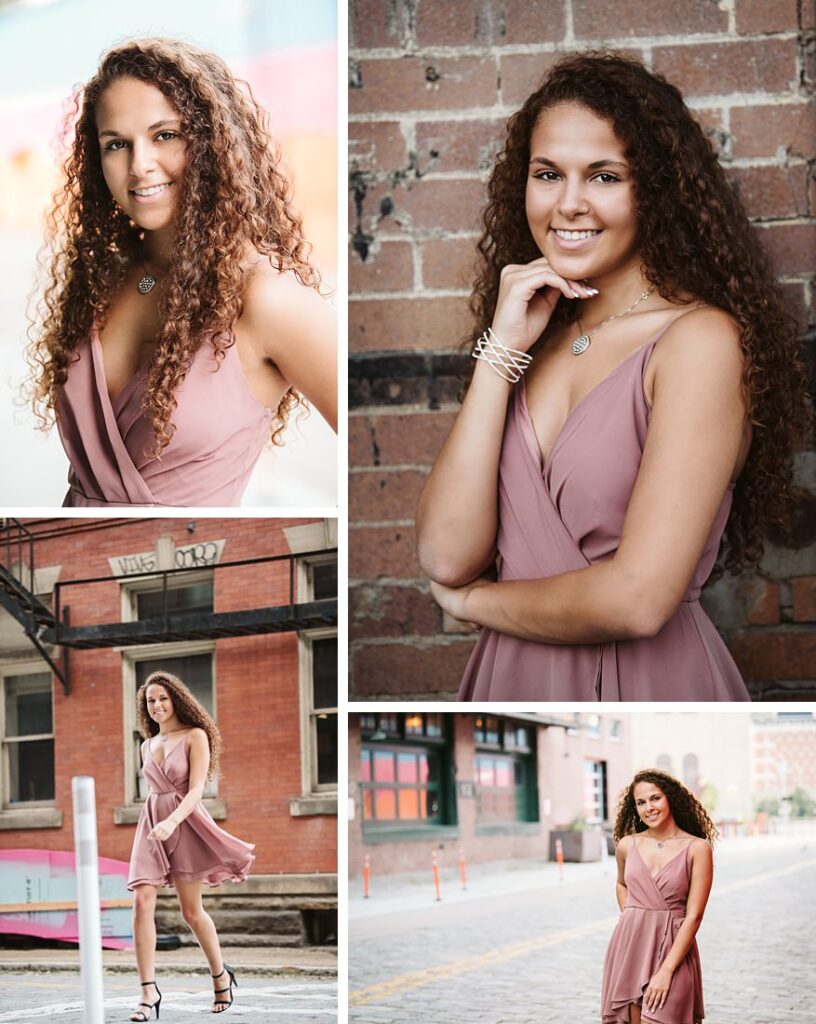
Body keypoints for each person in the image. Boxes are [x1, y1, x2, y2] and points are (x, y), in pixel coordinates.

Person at [416, 52, 808, 701]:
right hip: (509, 682)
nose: (569, 205)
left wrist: (475, 605)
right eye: (548, 174)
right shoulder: (531, 340)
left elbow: (637, 600)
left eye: (603, 176)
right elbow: (444, 556)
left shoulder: (699, 342)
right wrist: (498, 353)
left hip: (646, 684)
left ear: (654, 188)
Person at [28, 38, 337, 508]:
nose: (140, 166)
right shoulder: (110, 276)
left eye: (165, 135)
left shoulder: (266, 296)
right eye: (117, 144)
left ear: (211, 141)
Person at [127, 670, 254, 1019]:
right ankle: (147, 991)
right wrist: (160, 821)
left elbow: (197, 789)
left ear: (176, 699)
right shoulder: (145, 745)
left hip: (184, 822)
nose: (157, 705)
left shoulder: (195, 736)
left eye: (163, 698)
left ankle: (220, 976)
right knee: (141, 900)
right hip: (151, 822)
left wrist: (172, 821)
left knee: (191, 912)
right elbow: (156, 791)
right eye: (150, 700)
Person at [601, 769, 715, 1023]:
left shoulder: (697, 848)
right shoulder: (627, 845)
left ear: (671, 799)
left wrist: (666, 971)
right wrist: (631, 916)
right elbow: (621, 884)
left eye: (655, 798)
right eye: (641, 802)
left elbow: (694, 916)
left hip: (674, 951)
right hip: (631, 948)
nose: (648, 808)